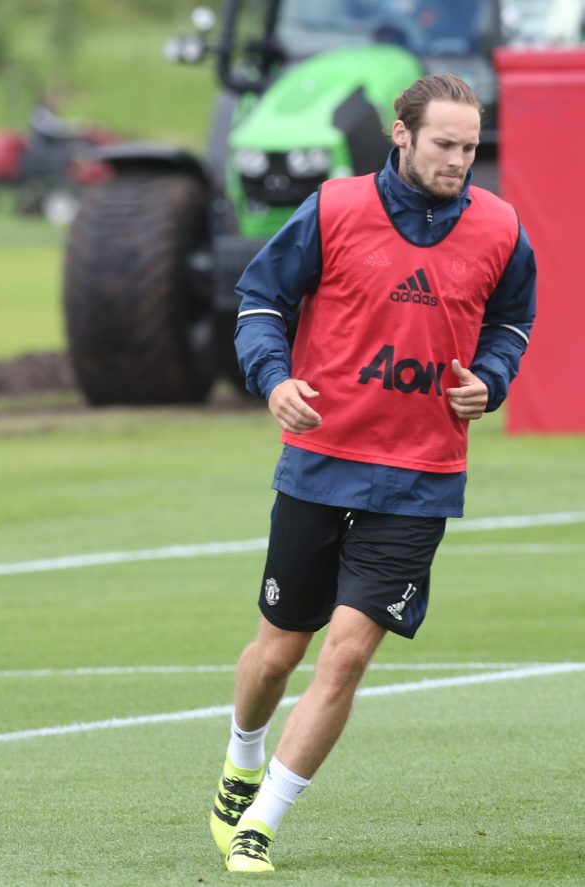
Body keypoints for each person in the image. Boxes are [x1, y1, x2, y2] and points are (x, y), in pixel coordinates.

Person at [209, 73, 536, 873]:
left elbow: (512, 321)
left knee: (348, 655)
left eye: (469, 147)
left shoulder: (499, 227)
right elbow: (259, 301)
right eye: (444, 145)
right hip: (319, 464)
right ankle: (241, 755)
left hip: (421, 476)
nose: (460, 161)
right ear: (401, 133)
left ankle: (263, 820)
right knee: (277, 654)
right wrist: (274, 380)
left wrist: (488, 379)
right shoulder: (332, 208)